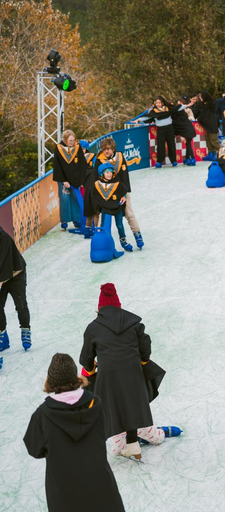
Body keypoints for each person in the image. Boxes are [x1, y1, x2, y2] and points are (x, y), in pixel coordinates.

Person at [80, 283, 177, 461]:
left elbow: (85, 358)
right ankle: (140, 438)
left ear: (99, 307)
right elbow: (145, 347)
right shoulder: (134, 323)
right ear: (119, 304)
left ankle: (122, 442)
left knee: (112, 402)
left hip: (108, 377)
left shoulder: (93, 328)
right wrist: (140, 360)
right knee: (131, 401)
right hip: (133, 373)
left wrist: (91, 368)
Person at [24, 353, 125, 511]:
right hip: (100, 486)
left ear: (50, 381)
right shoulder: (96, 405)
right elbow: (104, 432)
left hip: (64, 492)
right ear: (76, 377)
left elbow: (34, 449)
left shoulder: (42, 415)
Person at [95, 138, 144, 250]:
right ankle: (105, 244)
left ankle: (138, 235)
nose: (106, 151)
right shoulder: (99, 160)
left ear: (113, 149)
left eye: (108, 149)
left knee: (129, 214)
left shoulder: (120, 157)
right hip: (106, 195)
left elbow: (124, 176)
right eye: (104, 149)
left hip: (122, 193)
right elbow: (96, 180)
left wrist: (124, 194)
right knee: (106, 221)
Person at [0, 224, 30, 361]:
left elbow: (5, 265)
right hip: (2, 276)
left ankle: (25, 330)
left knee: (20, 304)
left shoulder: (4, 239)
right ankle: (2, 335)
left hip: (16, 273)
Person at [91, 162, 132, 250]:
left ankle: (123, 240)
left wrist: (124, 196)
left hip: (117, 208)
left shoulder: (117, 183)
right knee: (104, 226)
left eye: (110, 172)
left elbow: (124, 191)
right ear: (102, 174)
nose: (109, 174)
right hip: (105, 209)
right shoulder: (97, 185)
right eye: (107, 172)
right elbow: (94, 198)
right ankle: (105, 243)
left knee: (120, 225)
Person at [52, 129, 87, 231]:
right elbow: (57, 166)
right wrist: (64, 180)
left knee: (75, 199)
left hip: (75, 179)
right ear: (65, 140)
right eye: (70, 141)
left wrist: (81, 181)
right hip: (63, 180)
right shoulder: (59, 148)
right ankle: (64, 221)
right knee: (65, 199)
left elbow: (82, 165)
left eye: (74, 140)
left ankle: (76, 220)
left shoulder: (77, 147)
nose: (72, 142)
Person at [138, 96, 180, 168]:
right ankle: (159, 161)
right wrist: (138, 120)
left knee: (171, 144)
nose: (157, 104)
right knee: (160, 146)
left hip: (169, 128)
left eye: (159, 103)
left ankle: (173, 161)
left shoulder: (168, 108)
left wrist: (187, 105)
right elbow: (147, 117)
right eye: (156, 103)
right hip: (161, 129)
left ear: (162, 103)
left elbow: (177, 108)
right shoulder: (153, 111)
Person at [192, 91, 219, 160]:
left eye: (201, 96)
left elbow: (204, 114)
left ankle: (218, 154)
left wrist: (199, 118)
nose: (200, 98)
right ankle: (211, 154)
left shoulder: (210, 104)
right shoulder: (205, 104)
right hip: (208, 126)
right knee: (208, 140)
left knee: (214, 140)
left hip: (212, 125)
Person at [173, 98, 197, 166]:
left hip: (186, 129)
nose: (179, 105)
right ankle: (187, 158)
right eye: (178, 104)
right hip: (187, 129)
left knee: (188, 144)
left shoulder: (179, 112)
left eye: (180, 104)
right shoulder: (180, 112)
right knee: (188, 143)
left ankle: (192, 158)